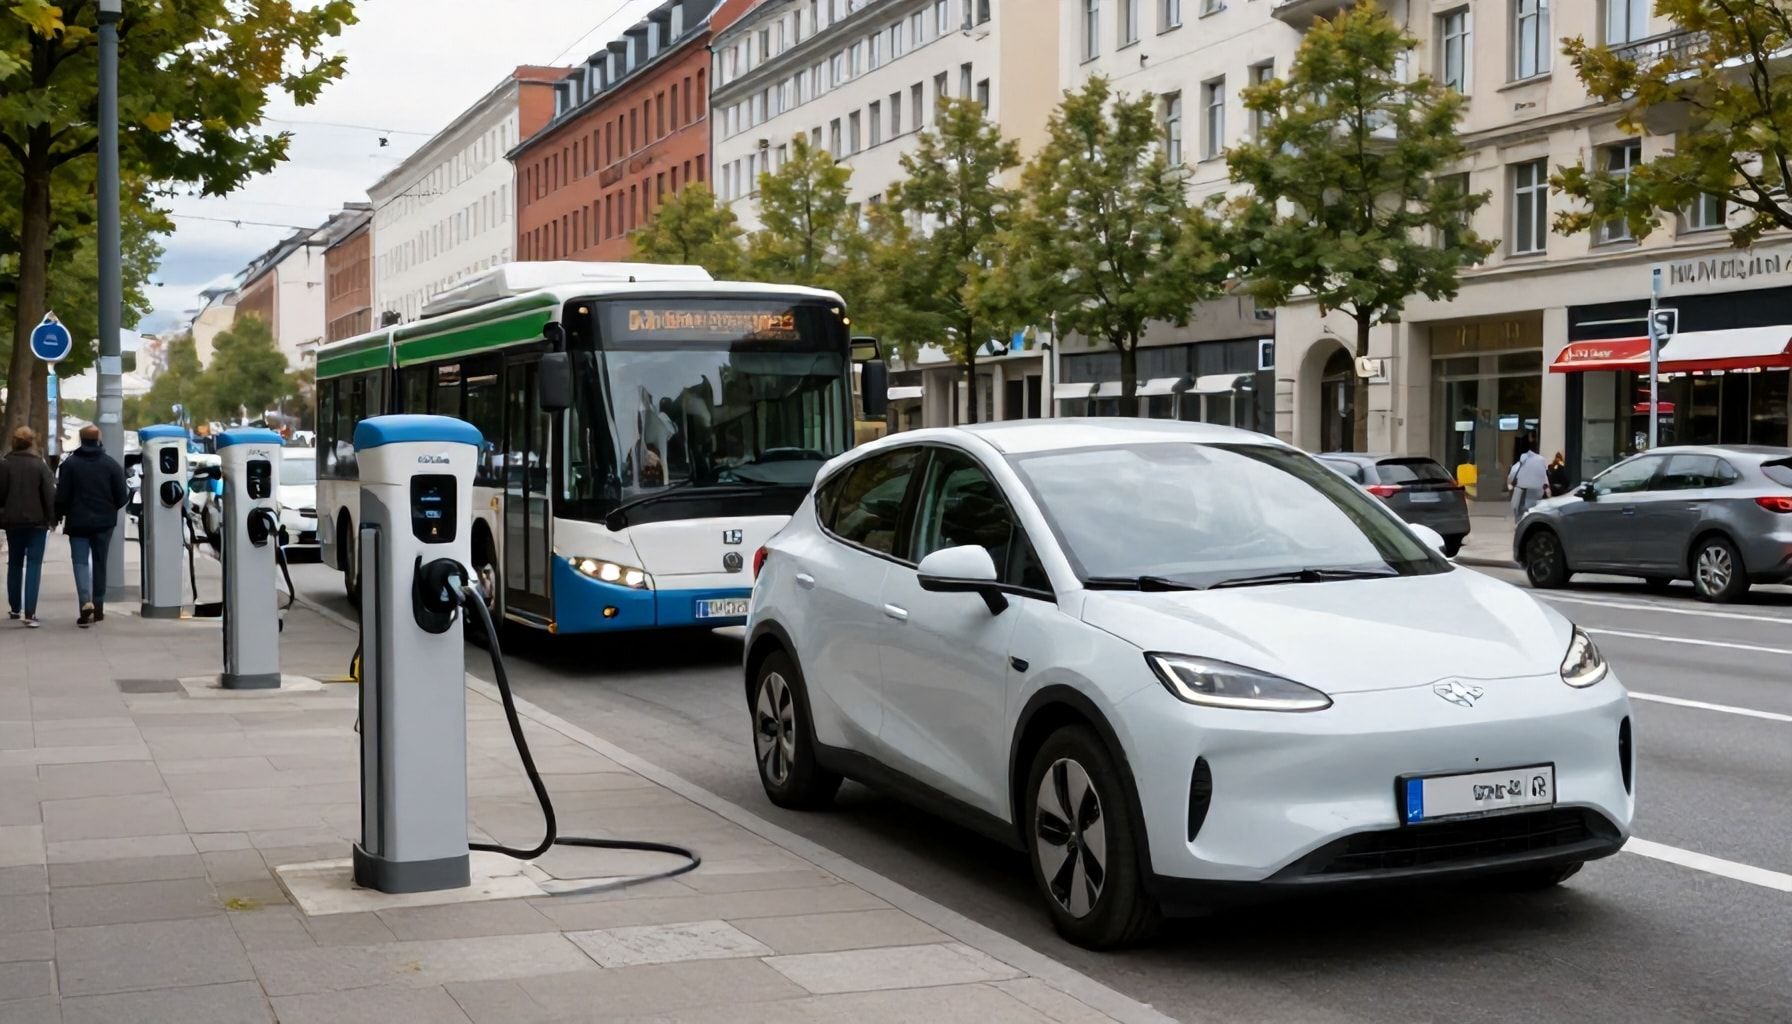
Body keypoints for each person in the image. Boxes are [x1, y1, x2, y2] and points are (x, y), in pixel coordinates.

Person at [55, 425, 128, 627]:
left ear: (80, 438)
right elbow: (122, 496)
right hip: (104, 523)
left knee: (80, 562)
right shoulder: (111, 465)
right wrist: (109, 508)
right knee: (100, 562)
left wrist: (59, 515)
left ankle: (85, 601)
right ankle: (99, 606)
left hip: (78, 521)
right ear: (99, 438)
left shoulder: (69, 465)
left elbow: (61, 496)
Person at [0, 427, 56, 627]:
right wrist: (52, 519)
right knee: (34, 565)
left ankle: (15, 608)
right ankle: (30, 612)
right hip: (37, 522)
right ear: (32, 443)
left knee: (14, 563)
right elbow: (49, 495)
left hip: (12, 522)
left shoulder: (4, 464)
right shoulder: (39, 466)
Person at [1507, 441, 1550, 520]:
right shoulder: (1540, 462)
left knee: (1521, 511)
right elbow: (1545, 478)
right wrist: (1546, 489)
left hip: (1523, 492)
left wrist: (1511, 484)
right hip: (1536, 492)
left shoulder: (1519, 465)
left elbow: (1511, 477)